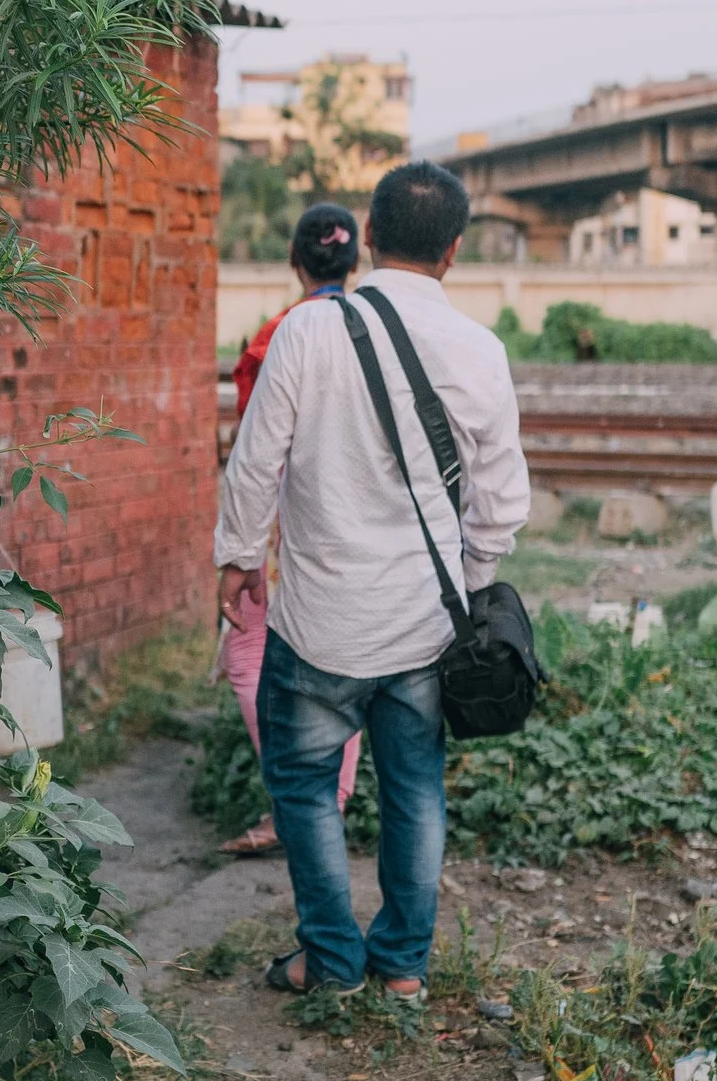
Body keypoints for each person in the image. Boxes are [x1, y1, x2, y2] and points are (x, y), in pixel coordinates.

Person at [213, 162, 528, 1000]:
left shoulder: (304, 333)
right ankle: (402, 969)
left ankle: (332, 959)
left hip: (318, 622)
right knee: (415, 791)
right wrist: (469, 584)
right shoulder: (480, 351)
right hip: (425, 628)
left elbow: (253, 463)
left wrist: (239, 556)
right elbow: (502, 503)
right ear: (454, 251)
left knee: (308, 788)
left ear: (373, 237)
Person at [216, 204, 366, 858]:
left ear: (293, 261)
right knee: (344, 657)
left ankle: (300, 803)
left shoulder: (278, 335)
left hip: (288, 529)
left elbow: (255, 452)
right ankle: (329, 796)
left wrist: (240, 550)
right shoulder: (376, 329)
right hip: (364, 528)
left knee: (246, 656)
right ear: (355, 262)